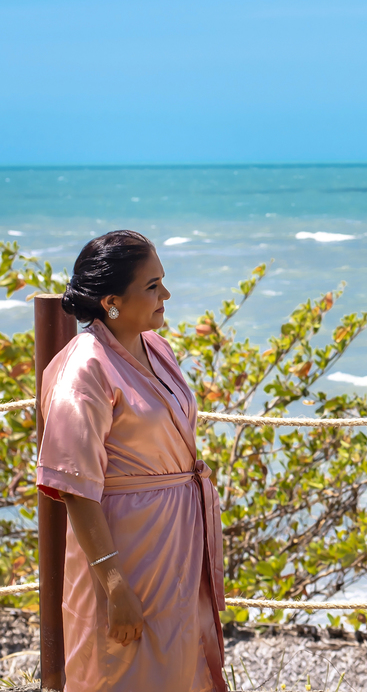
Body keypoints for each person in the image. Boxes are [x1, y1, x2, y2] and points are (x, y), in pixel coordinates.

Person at [36, 230, 226, 692]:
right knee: (121, 669)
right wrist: (115, 585)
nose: (166, 295)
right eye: (152, 286)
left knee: (180, 667)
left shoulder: (157, 348)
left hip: (175, 543)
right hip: (127, 549)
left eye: (163, 282)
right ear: (111, 301)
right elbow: (75, 486)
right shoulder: (84, 368)